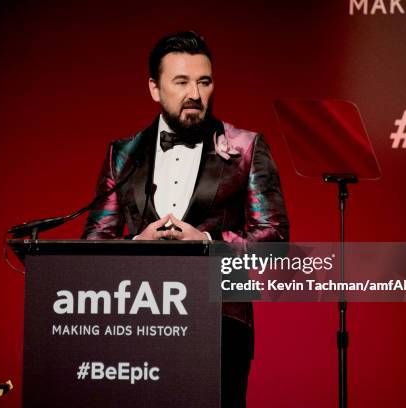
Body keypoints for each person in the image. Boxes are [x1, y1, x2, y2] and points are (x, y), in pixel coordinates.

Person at [82, 31, 289, 407]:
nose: (195, 93)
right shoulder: (123, 153)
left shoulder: (245, 147)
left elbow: (274, 240)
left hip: (220, 329)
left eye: (204, 81)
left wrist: (208, 247)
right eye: (181, 82)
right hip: (137, 324)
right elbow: (93, 246)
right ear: (154, 88)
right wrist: (134, 246)